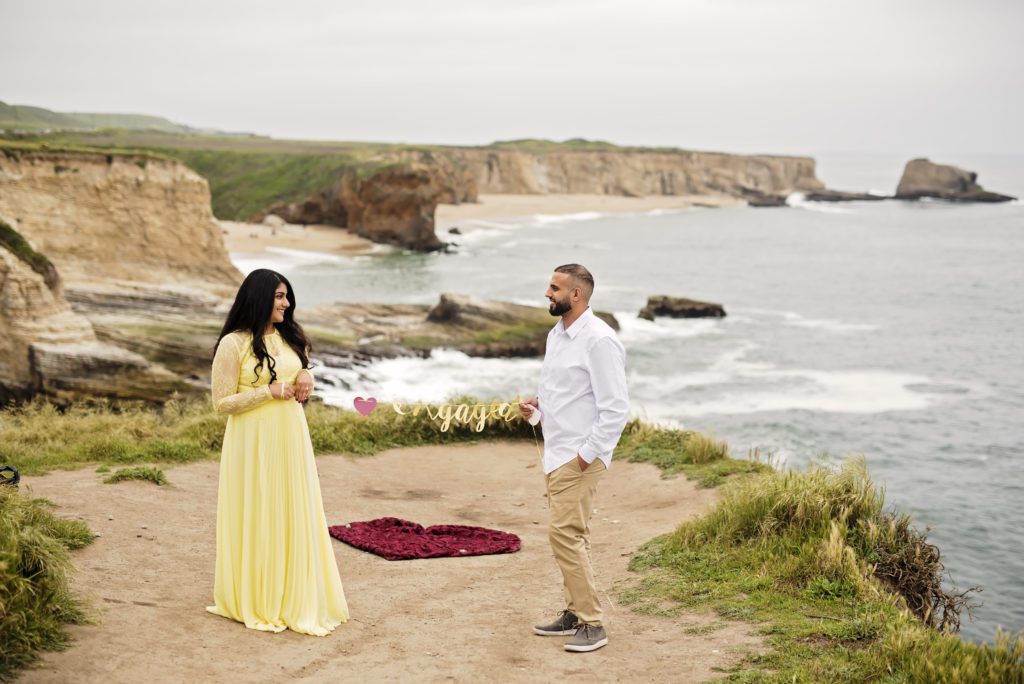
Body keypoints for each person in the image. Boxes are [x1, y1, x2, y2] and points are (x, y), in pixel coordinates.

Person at [206, 268, 349, 636]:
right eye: (280, 296)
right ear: (259, 298)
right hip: (251, 440)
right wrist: (266, 393)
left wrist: (306, 376)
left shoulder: (289, 337)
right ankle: (257, 596)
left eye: (287, 296)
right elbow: (221, 402)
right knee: (259, 509)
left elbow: (298, 372)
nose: (287, 303)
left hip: (290, 436)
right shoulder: (233, 343)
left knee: (291, 509)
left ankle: (290, 595)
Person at [520, 263, 629, 653]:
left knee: (564, 535)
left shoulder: (600, 340)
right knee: (568, 535)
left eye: (554, 288)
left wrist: (585, 457)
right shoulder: (557, 334)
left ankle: (592, 623)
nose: (547, 294)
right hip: (556, 451)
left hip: (579, 456)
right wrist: (536, 409)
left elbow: (616, 409)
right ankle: (573, 612)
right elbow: (564, 396)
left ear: (576, 294)